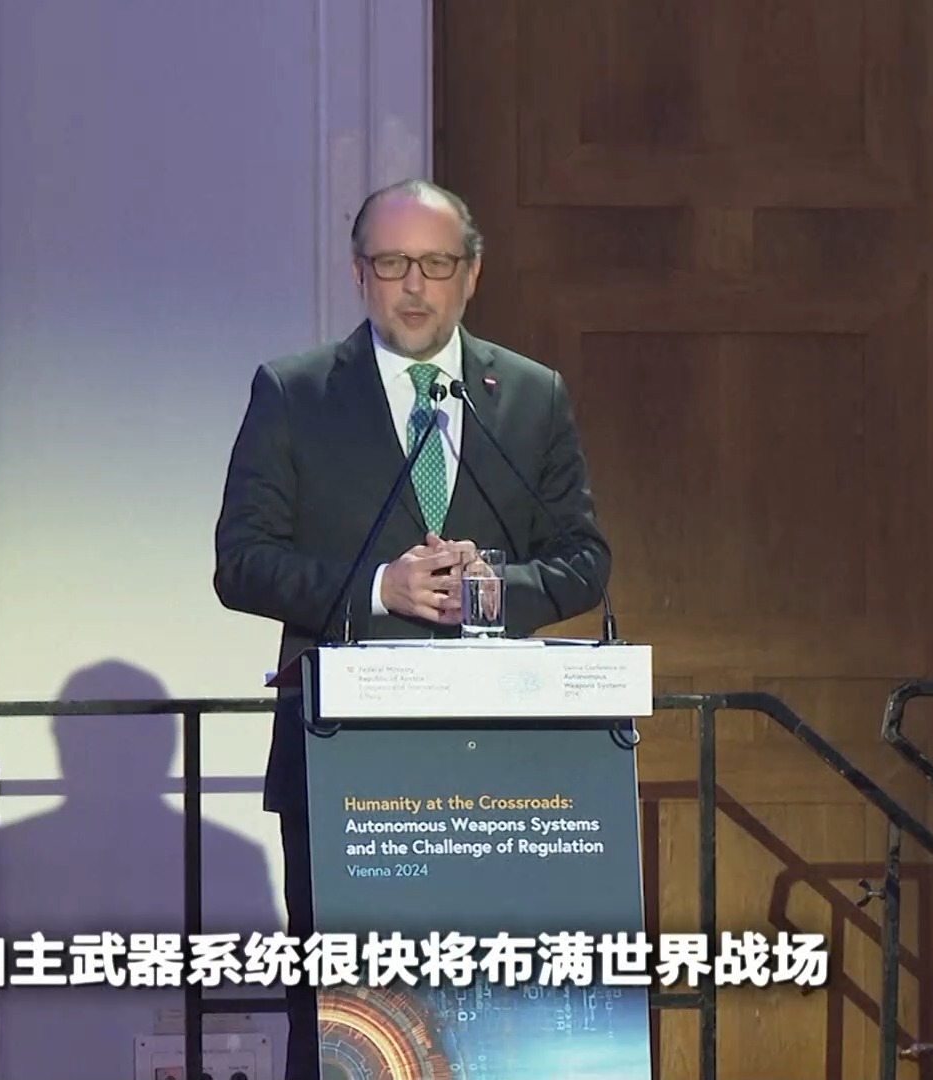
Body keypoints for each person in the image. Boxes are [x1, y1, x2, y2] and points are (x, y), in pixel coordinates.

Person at [211, 178, 611, 1080]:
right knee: (350, 1022)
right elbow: (241, 562)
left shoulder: (532, 395)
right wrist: (379, 587)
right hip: (344, 767)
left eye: (436, 263)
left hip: (502, 772)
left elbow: (585, 559)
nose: (416, 286)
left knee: (495, 1014)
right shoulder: (296, 393)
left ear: (472, 274)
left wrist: (493, 590)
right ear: (360, 274)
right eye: (393, 264)